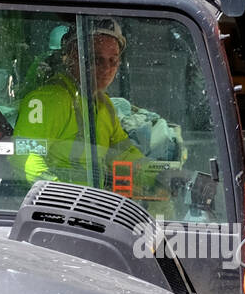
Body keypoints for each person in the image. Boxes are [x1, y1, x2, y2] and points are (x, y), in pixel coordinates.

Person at [11, 18, 152, 195]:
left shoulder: (103, 104)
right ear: (73, 58)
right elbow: (24, 158)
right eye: (96, 60)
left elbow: (122, 155)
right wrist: (64, 199)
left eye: (113, 61)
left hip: (90, 208)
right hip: (54, 214)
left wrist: (161, 176)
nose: (106, 69)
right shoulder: (48, 100)